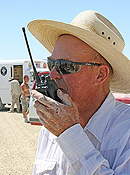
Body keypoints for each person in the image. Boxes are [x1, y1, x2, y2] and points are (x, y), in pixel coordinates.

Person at [28, 10, 130, 174]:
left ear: (100, 75)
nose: (53, 74)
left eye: (64, 66)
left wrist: (69, 134)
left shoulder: (126, 131)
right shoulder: (51, 126)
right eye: (51, 64)